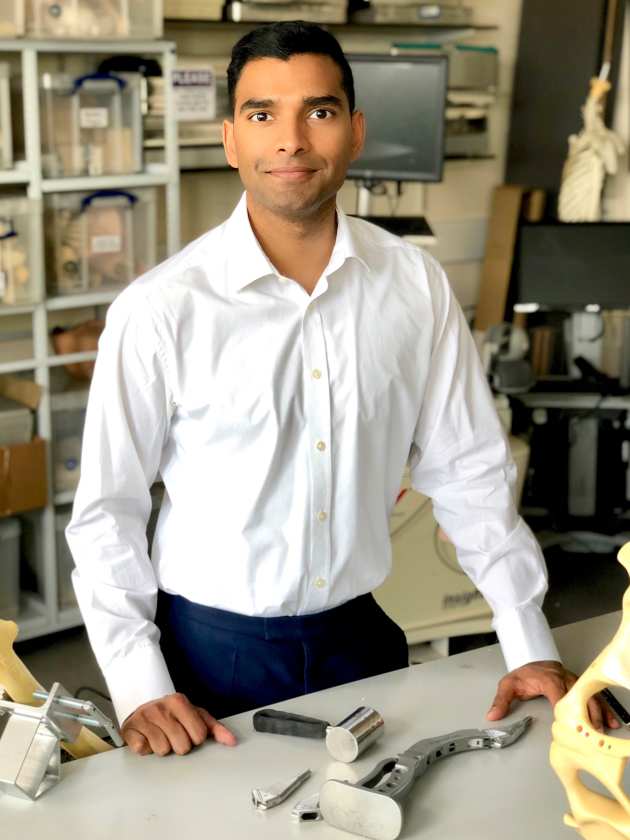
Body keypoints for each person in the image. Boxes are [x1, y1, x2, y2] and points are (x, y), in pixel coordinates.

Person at [66, 21, 616, 758]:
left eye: (318, 111)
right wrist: (139, 685)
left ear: (355, 132)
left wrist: (526, 641)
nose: (290, 140)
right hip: (208, 659)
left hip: (361, 639)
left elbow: (469, 468)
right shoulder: (162, 309)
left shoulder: (412, 283)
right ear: (231, 139)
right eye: (263, 115)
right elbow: (109, 514)